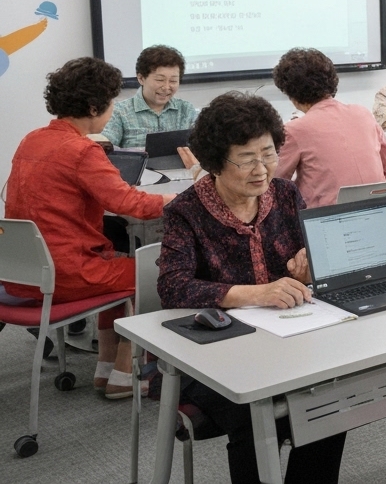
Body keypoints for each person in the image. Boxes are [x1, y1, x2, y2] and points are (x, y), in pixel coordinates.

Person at [157, 91, 346, 484]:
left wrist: (310, 264)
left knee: (329, 401)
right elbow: (173, 287)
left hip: (286, 338)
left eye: (269, 154)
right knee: (257, 413)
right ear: (214, 161)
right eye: (246, 159)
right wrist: (256, 293)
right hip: (214, 351)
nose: (261, 169)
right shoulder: (186, 212)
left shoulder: (286, 194)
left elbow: (312, 257)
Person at [4, 57, 174, 398]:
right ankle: (127, 374)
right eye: (111, 103)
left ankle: (106, 367)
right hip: (68, 274)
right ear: (95, 107)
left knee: (117, 263)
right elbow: (132, 204)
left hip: (25, 273)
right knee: (156, 271)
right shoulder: (82, 151)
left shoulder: (31, 140)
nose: (113, 110)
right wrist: (180, 199)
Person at [272, 48, 386, 208]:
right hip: (381, 210)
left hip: (326, 218)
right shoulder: (363, 113)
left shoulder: (294, 130)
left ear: (290, 94)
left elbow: (274, 183)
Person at [101, 44, 198, 148]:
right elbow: (105, 149)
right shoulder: (120, 112)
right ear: (141, 78)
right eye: (160, 80)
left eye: (173, 81)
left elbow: (200, 146)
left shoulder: (186, 110)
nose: (166, 87)